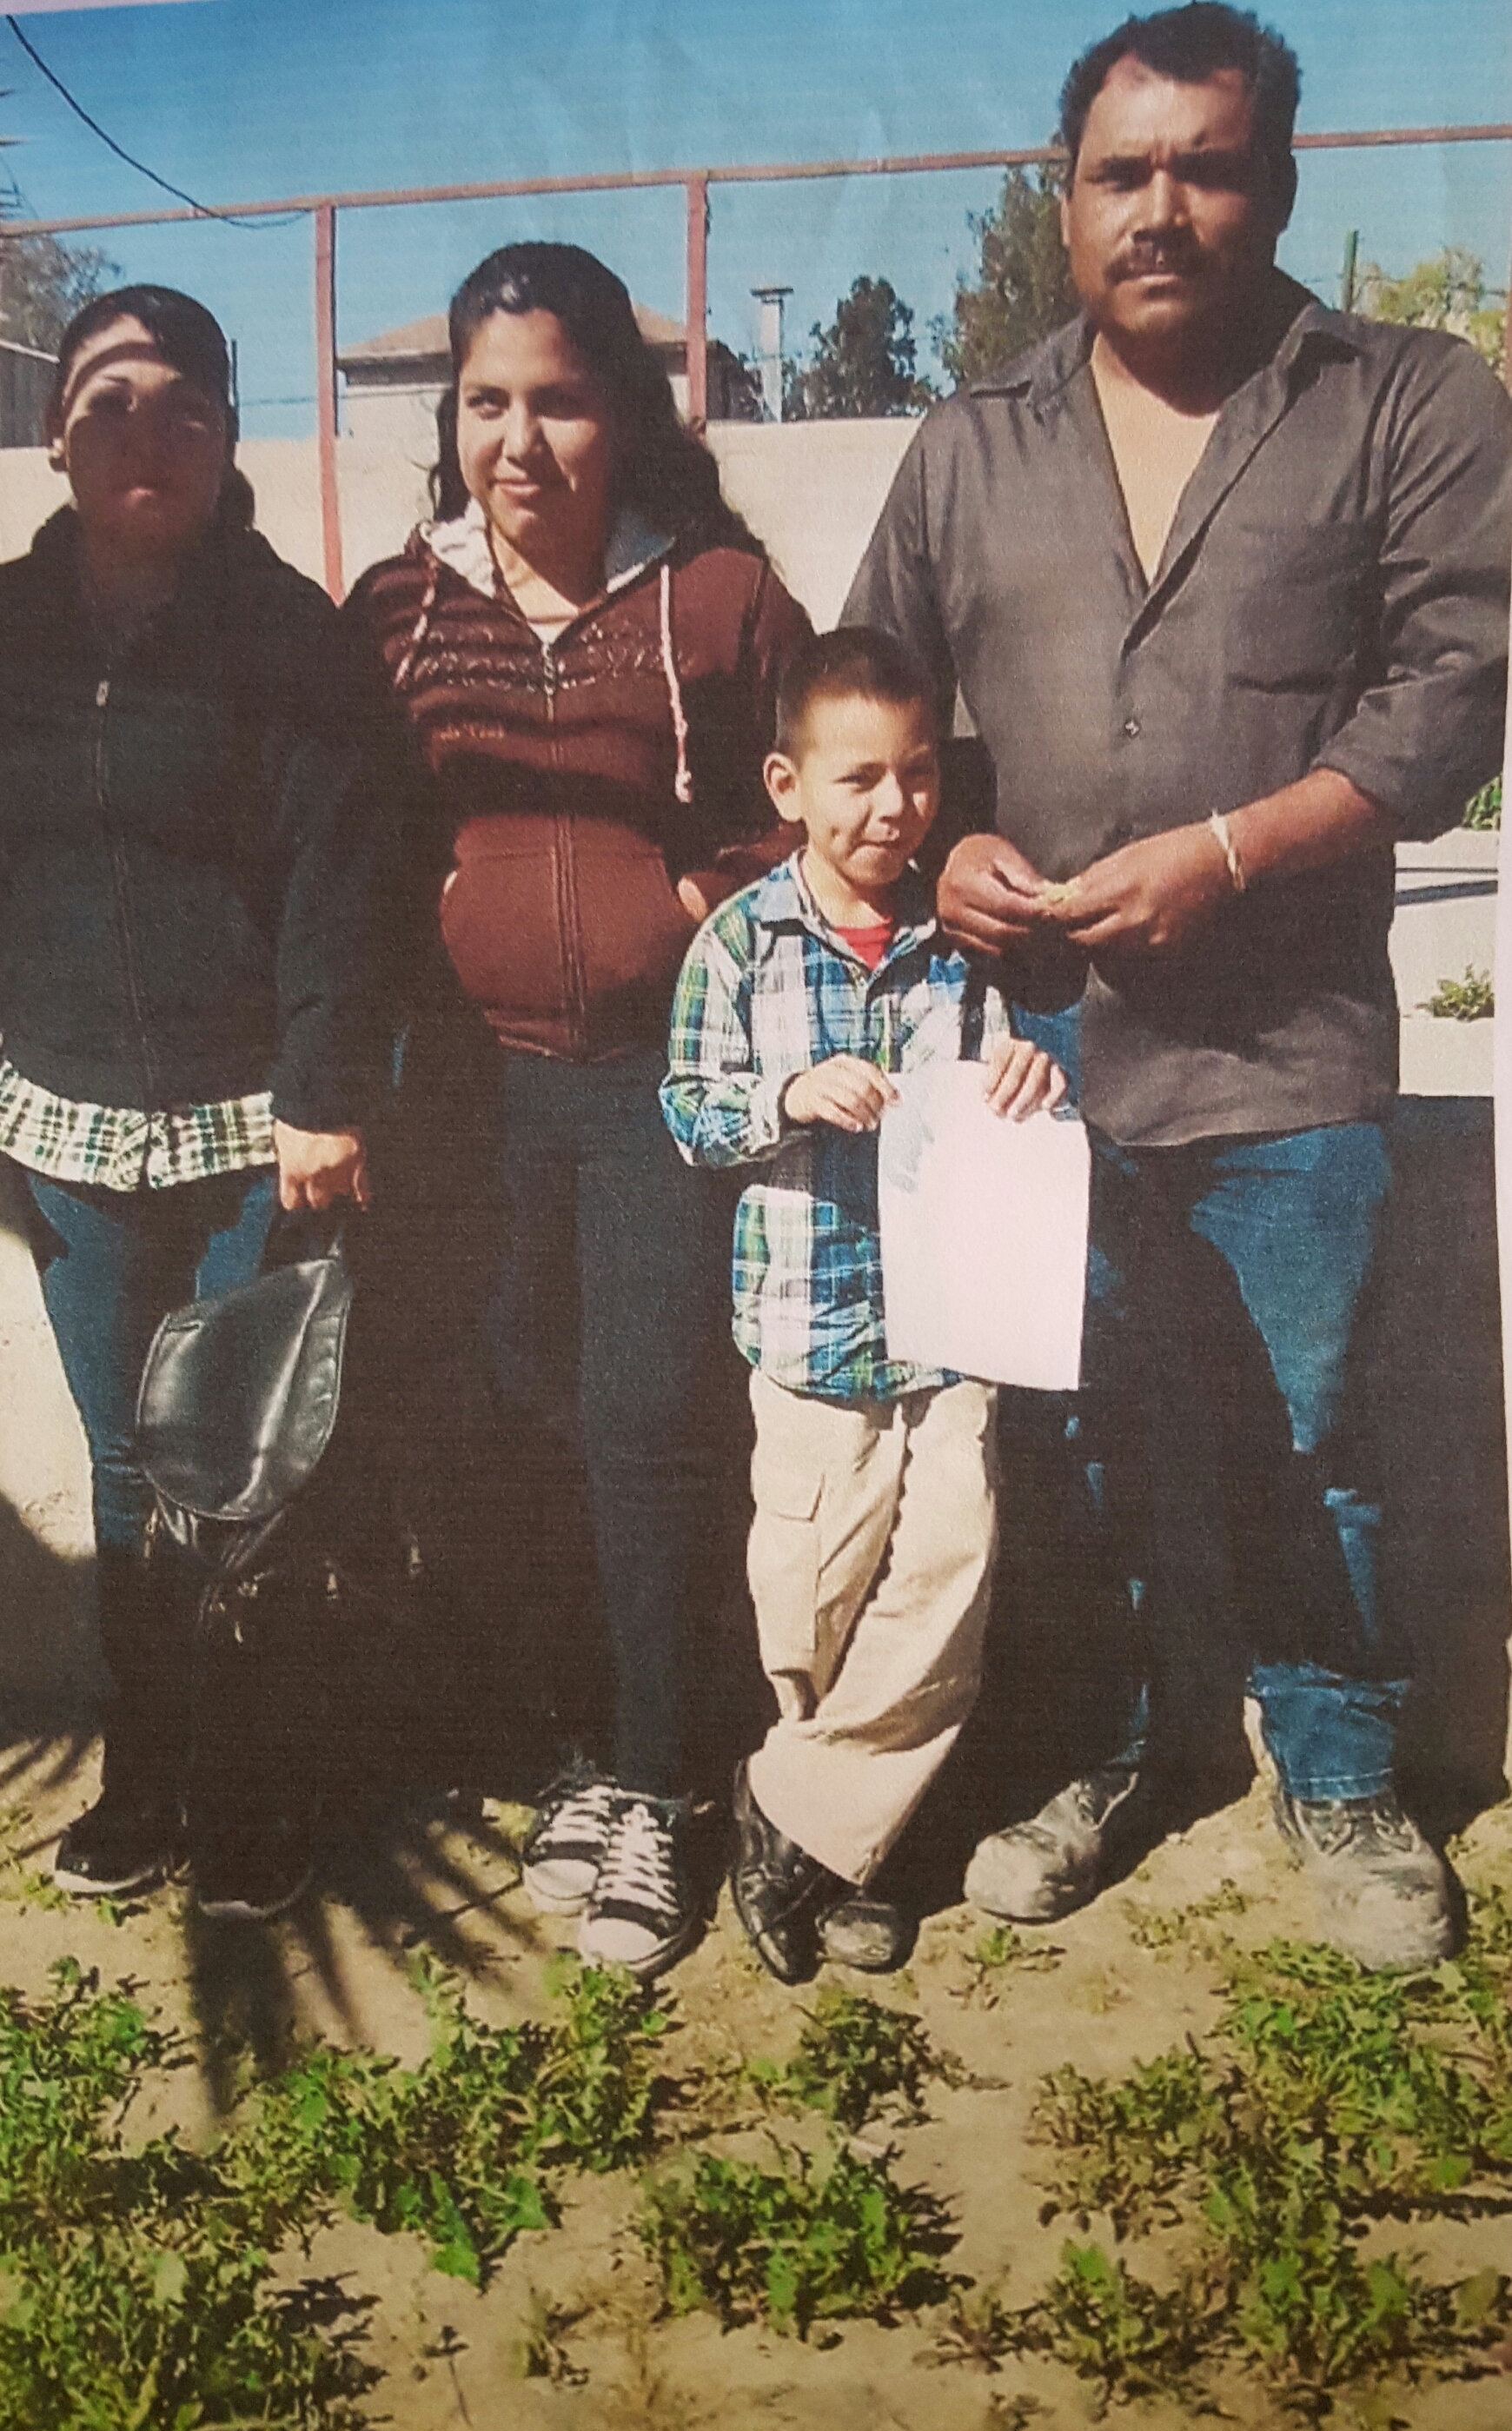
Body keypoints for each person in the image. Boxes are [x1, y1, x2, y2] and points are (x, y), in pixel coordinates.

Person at [841, 2, 1512, 1970]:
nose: (1161, 208)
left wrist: (1227, 854)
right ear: (1063, 203)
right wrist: (942, 845)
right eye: (1119, 172)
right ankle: (1121, 1749)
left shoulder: (1404, 399)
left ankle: (1343, 1770)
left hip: (1289, 1045)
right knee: (1072, 1434)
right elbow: (877, 694)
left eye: (1206, 168)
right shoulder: (971, 443)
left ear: (1278, 185)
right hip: (1033, 1059)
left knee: (1320, 1430)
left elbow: (1452, 697)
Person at [344, 242, 810, 1980]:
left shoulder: (721, 597)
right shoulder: (399, 610)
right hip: (470, 1094)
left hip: (650, 1085)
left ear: (624, 411)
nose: (518, 441)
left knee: (646, 1419)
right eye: (486, 402)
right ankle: (578, 1750)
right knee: (514, 1417)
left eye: (558, 400)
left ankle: (669, 1776)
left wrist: (695, 904)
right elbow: (351, 831)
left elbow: (812, 802)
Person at [0, 285, 396, 1919]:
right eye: (106, 401)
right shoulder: (8, 631)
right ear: (54, 435)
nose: (142, 432)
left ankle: (252, 1788)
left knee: (241, 1476)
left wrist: (324, 1094)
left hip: (254, 1131)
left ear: (231, 436)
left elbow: (342, 882)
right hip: (68, 1124)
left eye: (183, 403)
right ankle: (145, 1771)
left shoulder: (291, 640)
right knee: (120, 1471)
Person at [661, 629, 1065, 1983]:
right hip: (809, 1332)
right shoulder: (740, 941)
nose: (895, 806)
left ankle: (801, 1821)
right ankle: (845, 1843)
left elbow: (996, 1084)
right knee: (815, 1596)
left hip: (946, 1329)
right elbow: (687, 1109)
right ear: (786, 785)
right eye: (859, 778)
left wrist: (1025, 1079)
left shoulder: (959, 952)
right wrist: (785, 1095)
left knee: (950, 1568)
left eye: (918, 774)